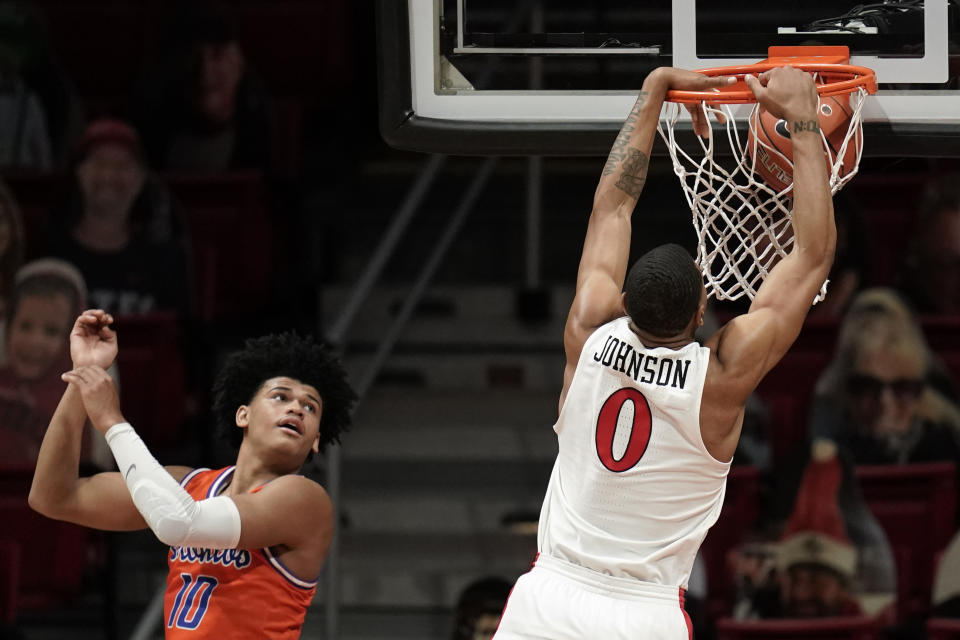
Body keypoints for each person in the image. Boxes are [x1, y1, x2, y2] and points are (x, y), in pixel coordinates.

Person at [493, 65, 838, 640]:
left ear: (625, 301)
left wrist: (654, 89)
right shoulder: (720, 376)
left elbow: (612, 210)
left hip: (549, 596)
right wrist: (803, 118)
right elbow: (811, 257)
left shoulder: (591, 329)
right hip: (642, 611)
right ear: (702, 312)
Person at [28, 309, 356, 638]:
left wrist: (112, 422)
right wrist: (82, 378)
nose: (296, 408)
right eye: (280, 396)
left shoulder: (304, 500)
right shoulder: (188, 485)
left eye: (310, 406)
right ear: (243, 415)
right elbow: (53, 496)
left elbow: (179, 523)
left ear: (316, 440)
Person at [44, 118, 194, 318]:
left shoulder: (166, 260)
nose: (108, 176)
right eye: (98, 163)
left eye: (122, 165)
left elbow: (185, 337)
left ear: (141, 178)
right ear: (78, 172)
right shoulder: (50, 253)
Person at [0, 259, 91, 465]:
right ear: (8, 328)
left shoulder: (76, 400)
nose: (35, 342)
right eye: (25, 326)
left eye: (51, 331)